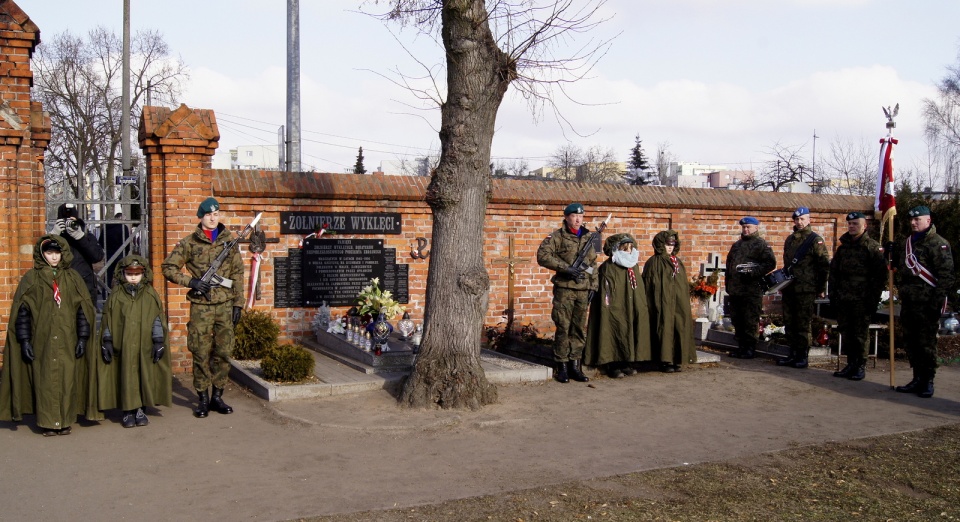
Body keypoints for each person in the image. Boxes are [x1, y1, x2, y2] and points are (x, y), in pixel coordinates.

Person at [0, 235, 98, 436]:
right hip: (42, 339)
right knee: (44, 379)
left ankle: (65, 420)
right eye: (49, 253)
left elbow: (82, 311)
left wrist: (82, 337)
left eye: (57, 253)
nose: (53, 257)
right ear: (42, 254)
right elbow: (23, 312)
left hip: (67, 338)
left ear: (63, 254)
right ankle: (47, 422)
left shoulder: (72, 278)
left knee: (67, 378)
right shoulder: (32, 278)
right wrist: (25, 340)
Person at [162, 197, 244, 417]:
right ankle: (203, 398)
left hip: (225, 305)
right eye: (208, 214)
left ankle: (218, 396)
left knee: (224, 352)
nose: (212, 218)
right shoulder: (189, 243)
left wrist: (238, 303)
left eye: (216, 214)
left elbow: (237, 273)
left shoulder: (230, 242)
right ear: (201, 216)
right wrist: (192, 282)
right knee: (199, 351)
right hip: (201, 306)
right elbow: (168, 267)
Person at [99, 255, 172, 428]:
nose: (133, 277)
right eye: (129, 273)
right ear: (122, 274)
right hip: (122, 345)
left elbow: (156, 318)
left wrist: (158, 341)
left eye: (137, 273)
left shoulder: (149, 295)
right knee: (125, 376)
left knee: (142, 375)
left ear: (143, 274)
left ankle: (140, 408)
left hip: (143, 346)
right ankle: (127, 411)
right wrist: (107, 339)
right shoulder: (116, 296)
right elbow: (108, 319)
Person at [894, 205, 955, 398]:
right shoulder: (908, 243)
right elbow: (902, 268)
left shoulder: (938, 243)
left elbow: (946, 276)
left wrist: (936, 303)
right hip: (910, 302)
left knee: (926, 343)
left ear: (928, 221)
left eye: (917, 219)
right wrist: (891, 252)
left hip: (927, 302)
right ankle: (917, 378)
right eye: (911, 220)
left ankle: (928, 380)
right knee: (911, 342)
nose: (913, 223)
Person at [536, 202, 598, 383]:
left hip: (583, 290)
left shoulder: (588, 237)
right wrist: (566, 268)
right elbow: (543, 256)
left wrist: (593, 286)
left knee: (578, 329)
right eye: (574, 216)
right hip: (564, 289)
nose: (578, 219)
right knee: (563, 327)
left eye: (581, 216)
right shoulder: (557, 237)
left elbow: (592, 264)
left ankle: (575, 366)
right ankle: (561, 366)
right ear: (566, 217)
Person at [582, 233, 651, 378]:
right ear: (616, 249)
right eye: (625, 248)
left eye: (631, 248)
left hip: (631, 306)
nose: (629, 251)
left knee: (629, 330)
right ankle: (612, 363)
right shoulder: (609, 267)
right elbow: (605, 292)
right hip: (614, 306)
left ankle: (626, 362)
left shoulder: (633, 267)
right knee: (614, 330)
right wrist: (609, 305)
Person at [828, 212, 886, 381]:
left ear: (864, 226)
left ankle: (860, 365)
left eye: (855, 223)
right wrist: (833, 294)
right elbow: (834, 273)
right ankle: (850, 363)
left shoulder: (872, 247)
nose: (852, 226)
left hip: (862, 297)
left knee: (860, 333)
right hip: (844, 296)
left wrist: (872, 299)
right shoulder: (843, 247)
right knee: (846, 332)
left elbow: (879, 276)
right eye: (850, 223)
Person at [776, 207, 830, 369]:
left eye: (803, 219)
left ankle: (802, 356)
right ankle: (792, 353)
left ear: (809, 220)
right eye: (797, 219)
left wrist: (821, 287)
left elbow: (823, 266)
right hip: (790, 287)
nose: (799, 222)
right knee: (790, 322)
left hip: (806, 288)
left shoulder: (815, 240)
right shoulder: (790, 240)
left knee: (802, 323)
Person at [643, 230, 697, 373]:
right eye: (667, 244)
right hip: (662, 302)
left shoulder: (677, 262)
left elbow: (681, 285)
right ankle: (663, 360)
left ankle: (676, 358)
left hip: (677, 302)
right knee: (663, 327)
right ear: (660, 244)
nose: (670, 247)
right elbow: (650, 286)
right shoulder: (654, 263)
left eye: (672, 244)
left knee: (678, 326)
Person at [725, 216, 777, 359]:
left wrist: (753, 273)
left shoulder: (761, 245)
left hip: (751, 290)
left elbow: (770, 263)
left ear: (755, 228)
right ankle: (741, 347)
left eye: (748, 227)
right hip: (736, 289)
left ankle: (749, 348)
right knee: (737, 319)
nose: (746, 229)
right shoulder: (737, 245)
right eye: (744, 227)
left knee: (750, 320)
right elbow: (729, 266)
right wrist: (728, 285)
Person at [50, 203, 105, 302]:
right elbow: (42, 256)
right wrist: (54, 236)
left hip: (84, 286)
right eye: (64, 221)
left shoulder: (86, 235)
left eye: (71, 221)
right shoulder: (54, 237)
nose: (68, 224)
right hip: (61, 286)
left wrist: (80, 237)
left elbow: (97, 256)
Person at [103, 212, 132, 288]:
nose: (125, 221)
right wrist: (126, 252)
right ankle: (121, 292)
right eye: (124, 219)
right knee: (121, 275)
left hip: (108, 254)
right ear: (120, 218)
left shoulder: (106, 227)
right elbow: (127, 242)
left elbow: (101, 241)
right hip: (120, 254)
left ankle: (105, 294)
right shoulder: (123, 227)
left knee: (108, 276)